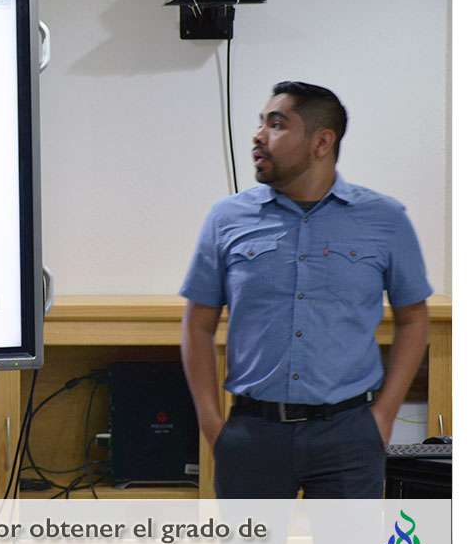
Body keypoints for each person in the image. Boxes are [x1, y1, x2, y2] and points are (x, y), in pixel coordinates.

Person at [179, 81, 432, 499]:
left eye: (277, 125)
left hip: (349, 435)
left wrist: (383, 417)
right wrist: (212, 426)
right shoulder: (227, 218)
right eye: (261, 123)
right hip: (252, 436)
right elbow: (197, 324)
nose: (259, 136)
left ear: (322, 142)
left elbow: (413, 318)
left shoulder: (385, 220)